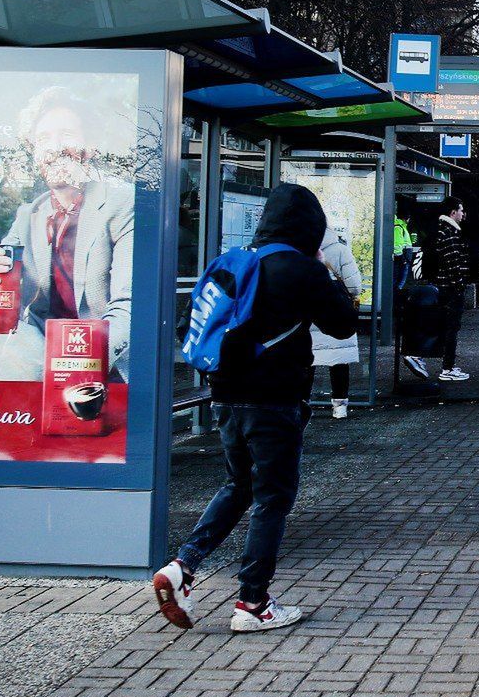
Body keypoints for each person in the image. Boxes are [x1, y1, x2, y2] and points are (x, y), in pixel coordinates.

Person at [151, 183, 358, 633]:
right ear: (310, 227)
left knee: (238, 484)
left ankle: (182, 567)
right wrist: (325, 272)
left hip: (226, 396)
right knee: (273, 498)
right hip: (276, 400)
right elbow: (342, 324)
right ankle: (253, 603)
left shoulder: (237, 260)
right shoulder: (302, 268)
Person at [0, 87, 132, 380]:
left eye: (66, 134)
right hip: (43, 354)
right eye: (43, 139)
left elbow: (128, 307)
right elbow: (4, 297)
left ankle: (42, 388)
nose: (53, 148)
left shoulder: (122, 201)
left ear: (90, 146)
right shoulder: (30, 214)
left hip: (102, 359)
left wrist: (82, 365)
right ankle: (45, 385)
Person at [313, 222, 363, 418]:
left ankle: (302, 403)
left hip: (311, 315)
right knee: (339, 361)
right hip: (336, 312)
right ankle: (339, 406)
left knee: (308, 361)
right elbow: (354, 286)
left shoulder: (300, 249)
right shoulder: (341, 250)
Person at [424, 197, 472, 382]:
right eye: (461, 210)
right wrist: (460, 285)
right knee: (451, 327)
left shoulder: (440, 230)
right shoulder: (449, 232)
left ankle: (447, 365)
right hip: (450, 288)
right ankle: (447, 368)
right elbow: (453, 263)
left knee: (446, 326)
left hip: (443, 286)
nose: (463, 214)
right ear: (453, 212)